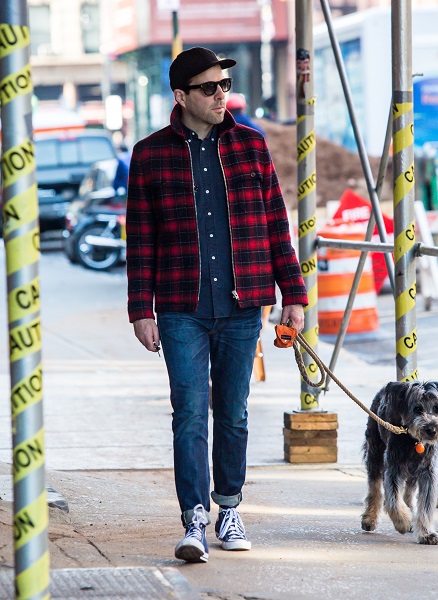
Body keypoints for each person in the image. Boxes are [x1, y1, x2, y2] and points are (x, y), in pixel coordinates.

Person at [126, 46, 308, 564]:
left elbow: (277, 226)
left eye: (224, 86)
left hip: (243, 304)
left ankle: (229, 507)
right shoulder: (150, 153)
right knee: (189, 413)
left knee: (233, 414)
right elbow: (139, 239)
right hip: (180, 306)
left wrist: (293, 294)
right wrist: (142, 308)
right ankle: (195, 520)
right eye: (209, 88)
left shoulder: (251, 146)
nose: (221, 95)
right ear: (181, 96)